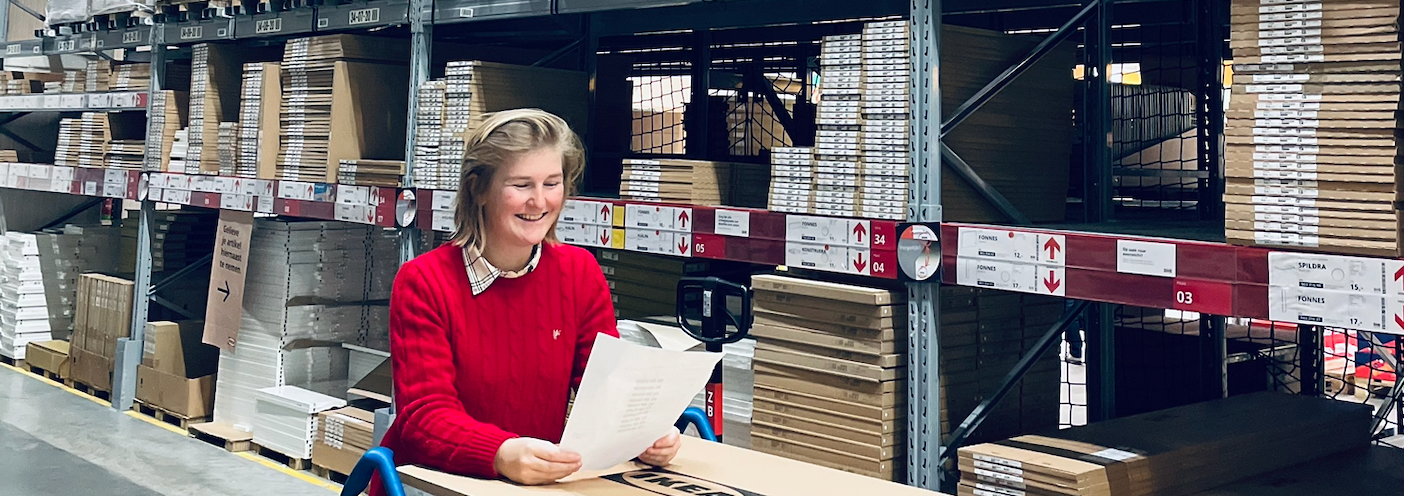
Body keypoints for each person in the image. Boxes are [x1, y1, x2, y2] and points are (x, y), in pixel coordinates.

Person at [372, 109, 681, 494]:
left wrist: (645, 432)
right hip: (429, 482)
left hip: (532, 486)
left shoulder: (579, 274)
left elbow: (606, 389)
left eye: (552, 183)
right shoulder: (424, 282)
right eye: (521, 185)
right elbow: (424, 417)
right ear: (478, 189)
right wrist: (499, 453)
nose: (539, 201)